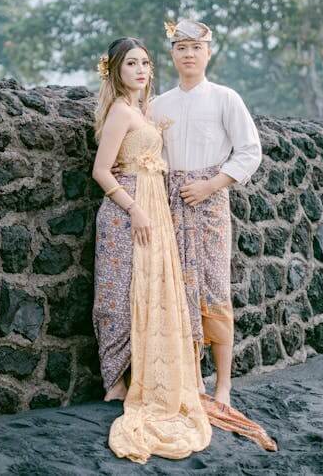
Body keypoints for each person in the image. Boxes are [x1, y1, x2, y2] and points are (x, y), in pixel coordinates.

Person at [91, 37, 212, 464]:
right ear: (116, 71)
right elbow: (101, 170)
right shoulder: (120, 112)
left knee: (151, 287)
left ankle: (140, 376)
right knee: (119, 292)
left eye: (145, 63)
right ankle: (115, 383)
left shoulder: (146, 110)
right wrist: (135, 209)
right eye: (131, 64)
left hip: (154, 208)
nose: (141, 70)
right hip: (128, 208)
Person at [149, 19, 263, 407]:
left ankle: (224, 387)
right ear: (172, 54)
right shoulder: (158, 105)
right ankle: (192, 381)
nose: (189, 55)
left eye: (196, 48)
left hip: (210, 204)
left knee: (214, 288)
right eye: (181, 48)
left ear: (208, 53)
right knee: (178, 290)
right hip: (169, 204)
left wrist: (211, 185)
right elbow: (152, 154)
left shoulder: (225, 98)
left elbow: (249, 150)